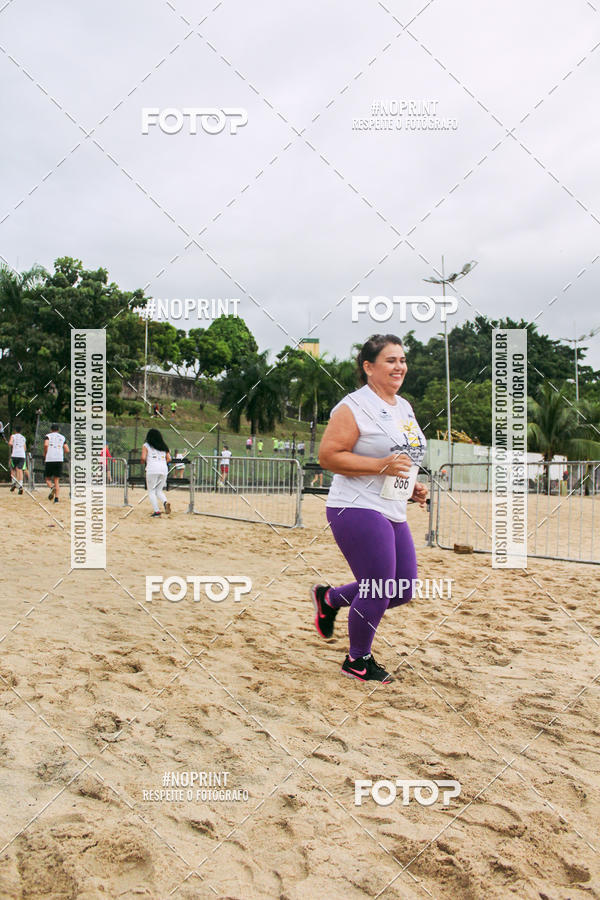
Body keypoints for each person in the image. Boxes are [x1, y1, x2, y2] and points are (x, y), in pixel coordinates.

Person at [312, 334, 428, 684]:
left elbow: (400, 461)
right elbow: (328, 456)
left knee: (402, 589)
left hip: (391, 506)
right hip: (355, 506)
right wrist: (381, 466)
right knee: (378, 586)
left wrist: (411, 487)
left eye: (402, 360)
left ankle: (330, 598)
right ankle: (357, 659)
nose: (400, 367)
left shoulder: (403, 406)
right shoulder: (354, 406)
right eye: (391, 360)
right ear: (368, 366)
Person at [141, 428, 171, 517]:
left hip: (152, 469)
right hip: (163, 469)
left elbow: (143, 457)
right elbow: (169, 458)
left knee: (151, 491)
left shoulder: (146, 445)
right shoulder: (164, 446)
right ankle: (165, 502)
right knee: (159, 490)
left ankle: (157, 511)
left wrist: (144, 462)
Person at [44, 424, 70, 503]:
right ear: (58, 430)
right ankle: (56, 499)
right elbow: (67, 449)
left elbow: (46, 444)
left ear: (51, 430)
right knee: (56, 480)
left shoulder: (48, 436)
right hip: (59, 459)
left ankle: (52, 487)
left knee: (47, 478)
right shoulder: (62, 437)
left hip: (50, 459)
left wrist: (45, 452)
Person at [8, 424, 26, 494]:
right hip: (22, 455)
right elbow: (24, 448)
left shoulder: (13, 436)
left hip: (15, 455)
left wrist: (12, 444)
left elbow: (10, 443)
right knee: (20, 470)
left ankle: (13, 483)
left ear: (15, 430)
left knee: (13, 469)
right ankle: (20, 485)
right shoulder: (23, 438)